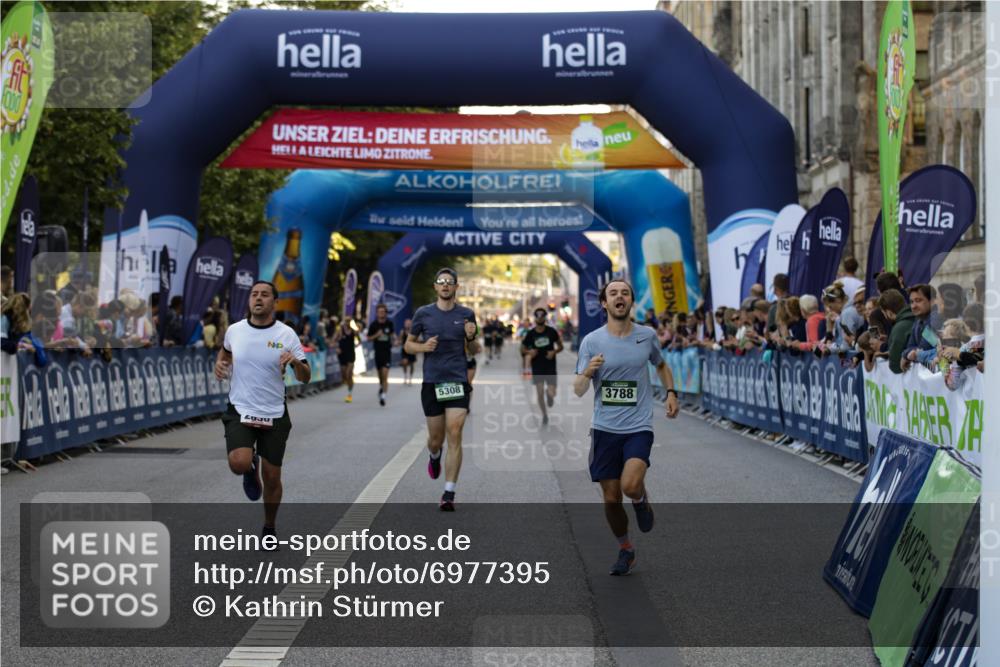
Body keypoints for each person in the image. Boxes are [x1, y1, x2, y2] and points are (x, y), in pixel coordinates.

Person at [573, 279, 679, 576]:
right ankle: (625, 549)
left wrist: (671, 392)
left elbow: (660, 364)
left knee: (630, 485)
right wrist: (587, 371)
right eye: (613, 293)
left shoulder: (646, 336)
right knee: (611, 498)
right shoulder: (591, 341)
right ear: (604, 304)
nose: (619, 296)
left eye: (625, 293)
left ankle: (642, 500)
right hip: (604, 428)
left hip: (638, 426)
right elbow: (578, 389)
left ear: (631, 301)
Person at [214, 280, 309, 545]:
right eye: (254, 294)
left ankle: (269, 527)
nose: (258, 298)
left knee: (272, 476)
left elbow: (305, 376)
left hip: (274, 412)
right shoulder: (235, 330)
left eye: (265, 295)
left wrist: (294, 364)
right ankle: (249, 467)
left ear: (274, 303)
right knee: (238, 463)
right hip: (240, 408)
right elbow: (225, 353)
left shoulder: (286, 335)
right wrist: (219, 366)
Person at [404, 268, 479, 511]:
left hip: (456, 381)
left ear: (456, 287)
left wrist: (470, 337)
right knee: (436, 439)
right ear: (436, 287)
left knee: (455, 432)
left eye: (450, 282)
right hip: (432, 382)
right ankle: (434, 455)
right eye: (441, 282)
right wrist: (423, 347)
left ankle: (448, 492)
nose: (445, 285)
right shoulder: (423, 314)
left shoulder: (467, 314)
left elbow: (475, 350)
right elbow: (408, 345)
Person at [521, 307, 564, 425]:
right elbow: (523, 348)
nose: (540, 318)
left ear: (545, 318)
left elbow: (561, 346)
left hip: (550, 366)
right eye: (537, 316)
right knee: (539, 393)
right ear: (535, 318)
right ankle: (544, 415)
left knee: (552, 393)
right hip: (537, 367)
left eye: (542, 316)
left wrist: (554, 352)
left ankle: (549, 396)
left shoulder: (552, 332)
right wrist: (530, 352)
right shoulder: (531, 334)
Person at [878, 288, 915, 374]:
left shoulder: (898, 329)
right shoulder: (921, 318)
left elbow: (895, 366)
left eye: (884, 313)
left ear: (889, 313)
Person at [902, 284, 939, 367]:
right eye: (911, 302)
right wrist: (907, 354)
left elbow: (924, 348)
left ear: (932, 301)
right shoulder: (918, 320)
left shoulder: (936, 319)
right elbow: (909, 346)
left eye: (918, 300)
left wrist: (908, 355)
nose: (913, 306)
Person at [366, 304, 395, 406]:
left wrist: (395, 340)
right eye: (379, 312)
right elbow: (368, 338)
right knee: (380, 376)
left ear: (386, 313)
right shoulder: (373, 325)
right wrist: (376, 335)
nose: (381, 313)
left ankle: (383, 396)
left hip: (387, 352)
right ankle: (381, 387)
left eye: (383, 311)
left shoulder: (389, 323)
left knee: (385, 375)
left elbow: (392, 335)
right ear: (377, 313)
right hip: (378, 353)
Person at [333, 318, 359, 402]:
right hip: (342, 354)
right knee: (344, 374)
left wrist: (356, 344)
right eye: (346, 321)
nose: (347, 323)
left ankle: (349, 394)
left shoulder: (353, 331)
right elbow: (333, 341)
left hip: (351, 354)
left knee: (348, 373)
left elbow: (359, 339)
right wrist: (336, 347)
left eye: (349, 321)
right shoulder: (340, 331)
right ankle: (348, 382)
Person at [399, 318, 417, 385]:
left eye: (409, 323)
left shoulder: (414, 332)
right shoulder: (402, 331)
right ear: (405, 324)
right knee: (405, 362)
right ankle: (405, 376)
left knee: (412, 364)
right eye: (407, 323)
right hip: (404, 350)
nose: (408, 325)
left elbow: (417, 340)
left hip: (412, 350)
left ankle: (410, 378)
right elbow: (400, 339)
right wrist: (398, 342)